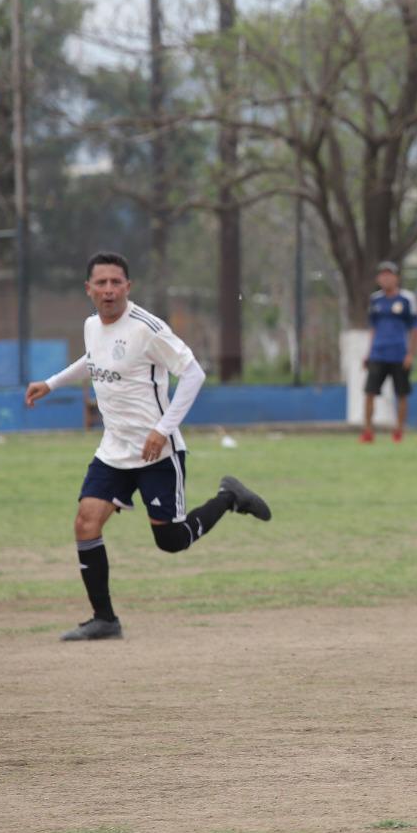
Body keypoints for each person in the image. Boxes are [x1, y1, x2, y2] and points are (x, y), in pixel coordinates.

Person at [24, 251, 273, 641]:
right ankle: (104, 619)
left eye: (115, 282)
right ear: (88, 289)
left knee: (170, 541)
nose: (109, 290)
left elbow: (193, 374)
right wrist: (51, 383)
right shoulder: (92, 325)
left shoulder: (147, 328)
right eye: (101, 283)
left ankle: (228, 497)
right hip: (114, 448)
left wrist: (163, 428)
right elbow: (92, 361)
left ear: (128, 287)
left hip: (157, 452)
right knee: (85, 523)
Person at [361, 260, 417, 443]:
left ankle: (398, 431)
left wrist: (410, 353)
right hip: (378, 353)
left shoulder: (407, 299)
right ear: (378, 278)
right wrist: (368, 352)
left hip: (399, 354)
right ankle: (368, 432)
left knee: (401, 393)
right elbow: (373, 328)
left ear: (397, 277)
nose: (386, 278)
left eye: (389, 274)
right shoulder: (375, 300)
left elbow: (415, 328)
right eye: (382, 275)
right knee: (370, 392)